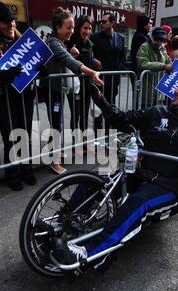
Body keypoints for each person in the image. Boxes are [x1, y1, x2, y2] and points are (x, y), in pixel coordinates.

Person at [51, 66, 178, 265]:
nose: (176, 90)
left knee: (139, 202)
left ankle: (87, 254)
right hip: (139, 173)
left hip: (170, 186)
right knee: (96, 181)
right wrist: (100, 99)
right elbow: (122, 120)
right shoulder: (158, 112)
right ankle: (60, 222)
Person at [0, 2, 36, 191]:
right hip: (4, 98)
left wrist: (40, 70)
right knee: (11, 136)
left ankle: (27, 169)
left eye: (12, 20)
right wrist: (8, 73)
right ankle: (12, 173)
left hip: (23, 96)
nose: (11, 25)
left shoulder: (22, 40)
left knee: (24, 134)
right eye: (5, 22)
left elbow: (32, 65)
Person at [40, 7, 104, 175]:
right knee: (57, 125)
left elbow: (66, 60)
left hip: (58, 90)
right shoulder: (53, 42)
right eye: (68, 27)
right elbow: (68, 61)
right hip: (53, 91)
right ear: (58, 28)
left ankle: (55, 153)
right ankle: (54, 160)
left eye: (72, 27)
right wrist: (92, 72)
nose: (71, 31)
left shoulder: (60, 42)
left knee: (58, 124)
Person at [66, 15, 102, 156]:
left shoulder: (88, 43)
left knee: (85, 114)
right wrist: (71, 54)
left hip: (86, 84)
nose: (87, 31)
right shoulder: (70, 42)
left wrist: (93, 60)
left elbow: (88, 58)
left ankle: (85, 142)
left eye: (90, 28)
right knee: (76, 115)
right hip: (74, 86)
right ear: (79, 27)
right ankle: (75, 144)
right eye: (85, 28)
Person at [91, 13, 126, 137]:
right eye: (101, 22)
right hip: (100, 78)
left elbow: (122, 57)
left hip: (114, 79)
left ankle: (109, 132)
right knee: (99, 106)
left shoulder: (121, 37)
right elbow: (88, 54)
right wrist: (93, 60)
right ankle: (97, 133)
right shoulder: (95, 37)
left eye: (104, 21)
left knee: (111, 105)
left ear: (112, 23)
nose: (102, 23)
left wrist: (119, 69)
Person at [136, 27, 172, 108]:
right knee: (144, 112)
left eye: (162, 39)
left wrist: (171, 66)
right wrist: (163, 66)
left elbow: (168, 62)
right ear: (152, 37)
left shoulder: (162, 49)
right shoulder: (144, 47)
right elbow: (143, 63)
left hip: (157, 89)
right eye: (157, 39)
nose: (159, 42)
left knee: (153, 113)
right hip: (146, 88)